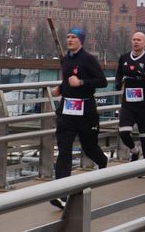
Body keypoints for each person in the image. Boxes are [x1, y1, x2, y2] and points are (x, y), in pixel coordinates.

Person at [51, 27, 108, 209]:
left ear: (80, 40)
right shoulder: (66, 59)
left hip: (86, 112)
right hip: (67, 111)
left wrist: (82, 82)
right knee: (64, 150)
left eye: (73, 37)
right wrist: (60, 87)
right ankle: (61, 193)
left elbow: (102, 81)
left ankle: (102, 161)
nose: (69, 39)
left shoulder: (88, 59)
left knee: (89, 147)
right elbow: (68, 78)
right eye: (67, 36)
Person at [115, 32, 145, 177]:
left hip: (144, 104)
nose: (136, 42)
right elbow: (119, 73)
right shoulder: (124, 58)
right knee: (123, 132)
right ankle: (134, 150)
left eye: (139, 40)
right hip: (128, 103)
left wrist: (143, 75)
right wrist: (117, 83)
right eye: (134, 39)